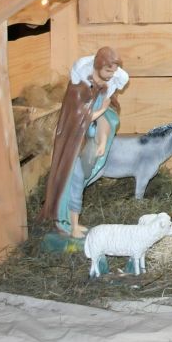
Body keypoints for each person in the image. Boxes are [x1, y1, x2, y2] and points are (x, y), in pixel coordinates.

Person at [41, 47, 128, 237]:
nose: (111, 75)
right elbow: (79, 118)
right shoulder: (79, 88)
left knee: (77, 182)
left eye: (114, 71)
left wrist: (102, 141)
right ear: (98, 66)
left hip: (86, 142)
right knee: (72, 181)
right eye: (108, 70)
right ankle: (66, 224)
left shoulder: (106, 89)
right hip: (72, 144)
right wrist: (101, 109)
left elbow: (106, 119)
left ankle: (73, 224)